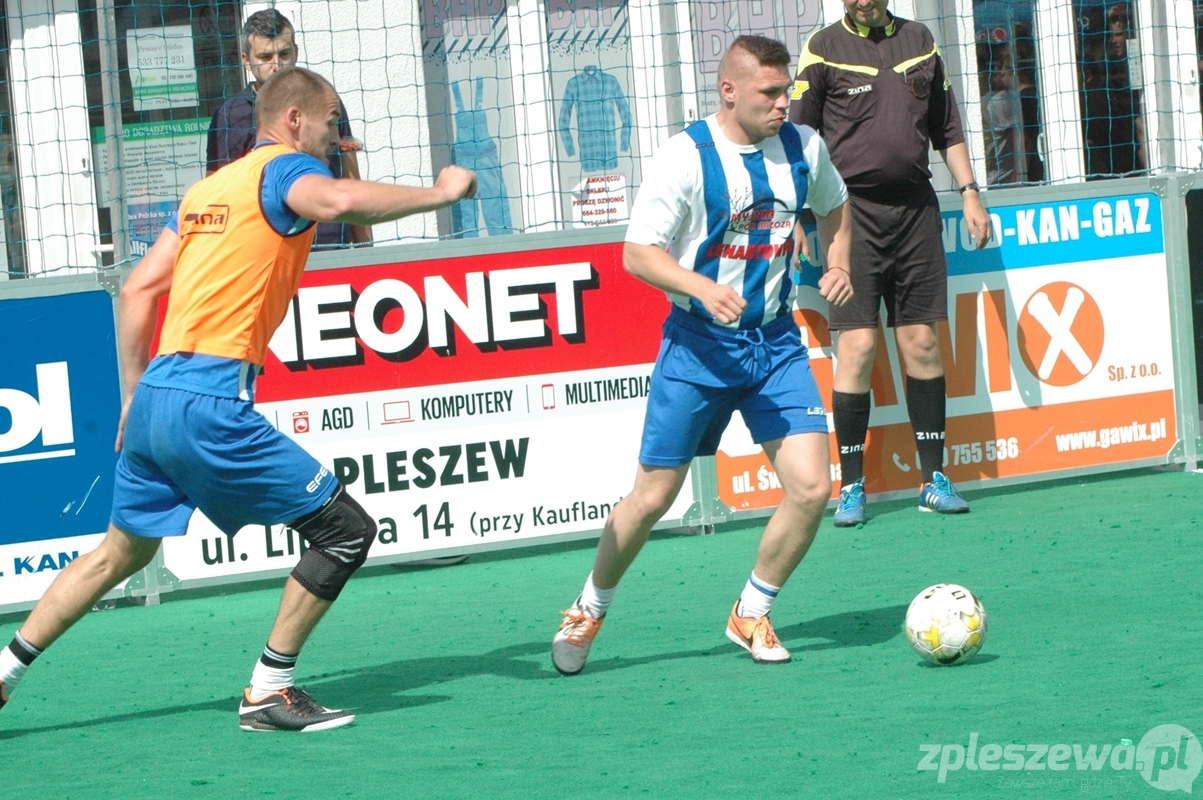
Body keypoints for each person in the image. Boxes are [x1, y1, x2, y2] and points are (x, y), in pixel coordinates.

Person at [0, 67, 476, 731]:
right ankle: (269, 691)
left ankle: (4, 672)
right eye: (331, 122)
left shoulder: (205, 191)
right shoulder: (285, 170)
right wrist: (439, 192)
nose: (336, 136)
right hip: (209, 401)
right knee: (345, 532)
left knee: (120, 554)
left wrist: (134, 393)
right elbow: (338, 201)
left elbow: (137, 289)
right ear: (293, 120)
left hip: (157, 395)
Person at [551, 35, 853, 675]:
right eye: (770, 93)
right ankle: (589, 608)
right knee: (652, 498)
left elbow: (836, 206)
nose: (783, 103)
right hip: (698, 347)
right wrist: (700, 288)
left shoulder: (805, 147)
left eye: (788, 91)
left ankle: (751, 612)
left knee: (811, 487)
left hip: (775, 344)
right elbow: (637, 254)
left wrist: (839, 262)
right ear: (729, 91)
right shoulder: (684, 156)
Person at [789, 0, 992, 527]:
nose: (863, 1)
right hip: (848, 217)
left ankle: (933, 480)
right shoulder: (823, 47)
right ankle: (851, 486)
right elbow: (797, 141)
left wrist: (970, 192)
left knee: (922, 342)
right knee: (856, 348)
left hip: (916, 213)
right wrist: (795, 216)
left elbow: (947, 127)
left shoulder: (921, 39)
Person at [206, 9, 371, 248]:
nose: (277, 65)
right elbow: (217, 197)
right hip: (267, 252)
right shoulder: (230, 116)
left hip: (331, 249)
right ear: (246, 60)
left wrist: (366, 250)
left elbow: (352, 178)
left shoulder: (325, 101)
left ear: (296, 51)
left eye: (284, 53)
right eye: (265, 56)